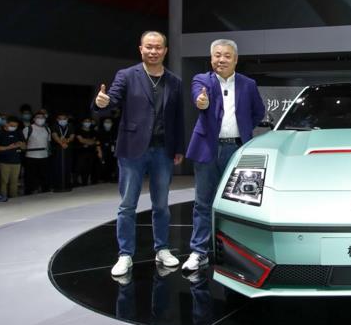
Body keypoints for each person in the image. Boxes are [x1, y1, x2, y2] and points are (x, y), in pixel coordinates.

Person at [94, 30, 185, 277]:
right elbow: (112, 99)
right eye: (149, 47)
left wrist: (178, 147)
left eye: (158, 47)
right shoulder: (127, 75)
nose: (153, 51)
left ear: (165, 50)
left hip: (163, 151)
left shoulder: (174, 81)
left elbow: (178, 117)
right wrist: (102, 102)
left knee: (161, 205)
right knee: (127, 205)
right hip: (132, 149)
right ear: (141, 49)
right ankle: (125, 254)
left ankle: (162, 249)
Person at [183, 39, 265, 271]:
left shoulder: (248, 84)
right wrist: (202, 102)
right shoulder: (202, 80)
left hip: (237, 149)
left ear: (235, 59)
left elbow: (258, 112)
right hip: (207, 148)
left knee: (241, 203)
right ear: (211, 59)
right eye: (217, 55)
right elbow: (198, 99)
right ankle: (199, 251)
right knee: (203, 202)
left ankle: (241, 253)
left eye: (227, 56)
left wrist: (245, 128)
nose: (222, 59)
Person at [0, 116, 25, 200]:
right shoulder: (0, 133)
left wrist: (20, 144)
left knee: (14, 181)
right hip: (4, 161)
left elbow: (24, 146)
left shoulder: (18, 132)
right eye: (11, 125)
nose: (13, 127)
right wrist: (8, 147)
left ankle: (14, 198)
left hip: (16, 161)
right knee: (4, 181)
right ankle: (3, 197)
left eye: (15, 126)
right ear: (6, 124)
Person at [23, 112, 52, 194]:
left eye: (42, 117)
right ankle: (29, 193)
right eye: (38, 117)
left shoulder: (47, 129)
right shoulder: (28, 129)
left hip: (44, 156)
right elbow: (23, 142)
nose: (40, 119)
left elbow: (48, 142)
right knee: (30, 177)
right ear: (34, 119)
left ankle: (45, 192)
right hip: (31, 157)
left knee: (45, 177)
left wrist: (49, 154)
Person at [74, 117, 101, 186]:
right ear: (82, 122)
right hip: (80, 152)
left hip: (91, 152)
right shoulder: (78, 130)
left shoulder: (93, 131)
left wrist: (87, 142)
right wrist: (92, 141)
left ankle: (85, 182)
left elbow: (97, 142)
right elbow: (81, 140)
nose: (87, 123)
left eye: (89, 121)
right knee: (78, 167)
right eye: (86, 121)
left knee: (88, 168)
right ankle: (75, 182)